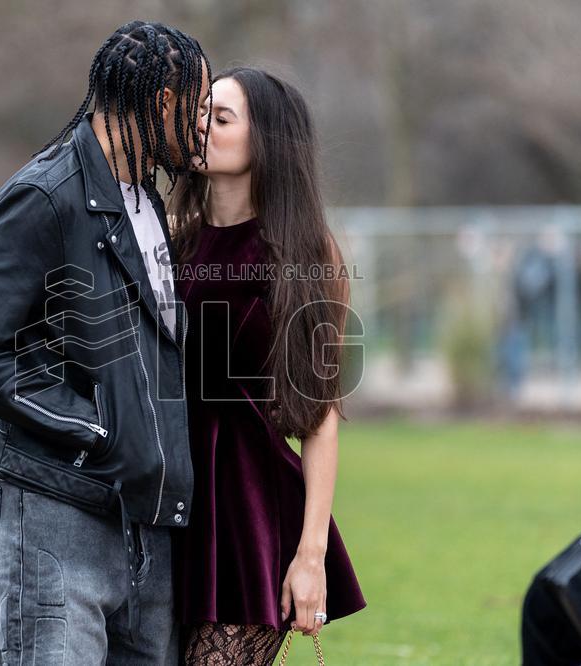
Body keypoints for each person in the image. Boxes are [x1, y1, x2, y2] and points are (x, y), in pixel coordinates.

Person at [0, 21, 212, 665]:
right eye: (199, 108)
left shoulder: (146, 201)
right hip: (53, 516)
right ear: (163, 102)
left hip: (146, 528)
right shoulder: (44, 196)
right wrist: (96, 430)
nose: (204, 126)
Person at [169, 67, 367, 664]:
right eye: (200, 113)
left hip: (250, 513)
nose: (201, 126)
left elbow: (319, 417)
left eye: (221, 118)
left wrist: (310, 557)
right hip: (166, 501)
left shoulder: (306, 255)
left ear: (266, 142)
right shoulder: (172, 241)